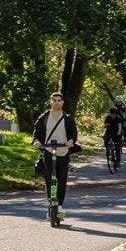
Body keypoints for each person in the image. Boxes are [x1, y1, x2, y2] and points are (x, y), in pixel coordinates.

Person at [31, 91, 78, 220]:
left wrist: (70, 141)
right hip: (48, 150)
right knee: (49, 178)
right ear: (51, 102)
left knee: (62, 178)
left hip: (63, 151)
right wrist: (37, 141)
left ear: (62, 102)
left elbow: (73, 133)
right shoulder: (45, 117)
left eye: (59, 100)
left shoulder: (67, 118)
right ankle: (51, 204)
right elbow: (36, 131)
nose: (57, 103)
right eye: (54, 100)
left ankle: (60, 205)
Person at [103, 97, 126, 171]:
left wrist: (119, 132)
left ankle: (118, 161)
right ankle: (108, 150)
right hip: (109, 132)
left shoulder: (118, 119)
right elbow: (104, 125)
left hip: (116, 132)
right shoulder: (108, 118)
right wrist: (106, 125)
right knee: (105, 139)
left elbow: (120, 126)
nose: (112, 115)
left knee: (117, 147)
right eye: (111, 114)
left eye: (114, 114)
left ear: (116, 114)